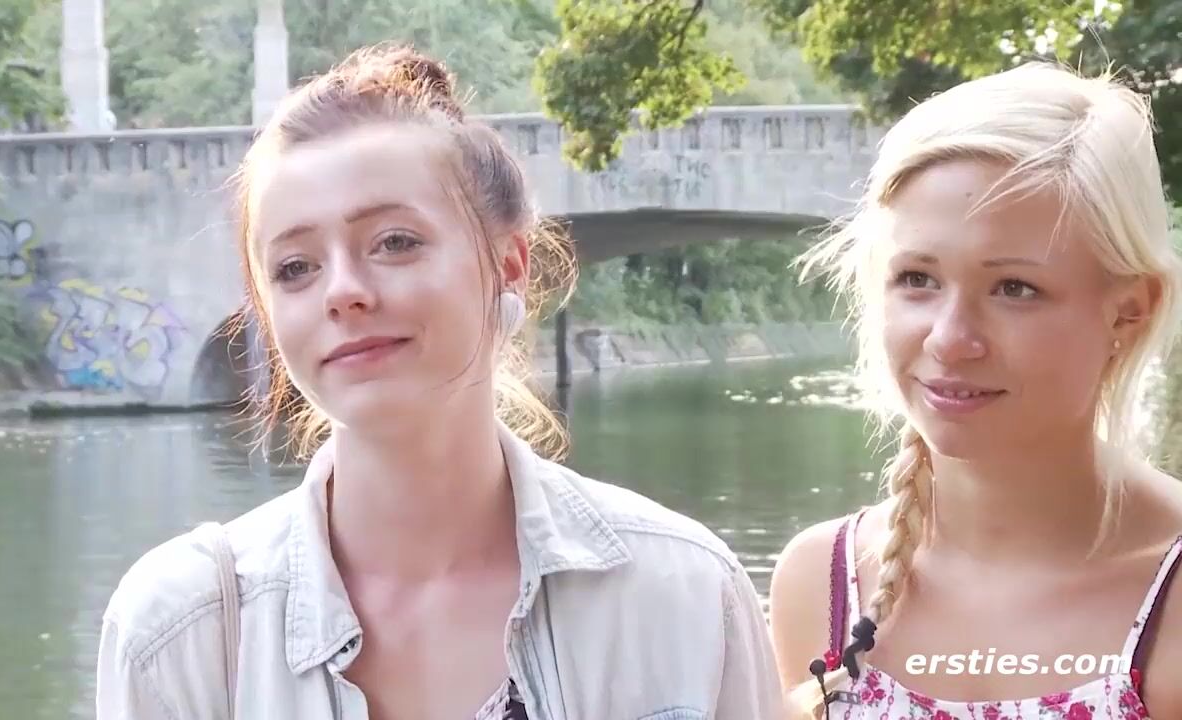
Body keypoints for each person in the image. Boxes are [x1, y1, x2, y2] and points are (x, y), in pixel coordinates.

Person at [95, 45, 782, 720]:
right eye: (295, 268)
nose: (343, 291)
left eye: (394, 242)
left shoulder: (686, 595)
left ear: (509, 266)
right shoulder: (182, 635)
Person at [770, 62, 1182, 719]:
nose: (949, 339)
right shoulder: (821, 584)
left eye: (1015, 288)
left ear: (1128, 313)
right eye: (917, 279)